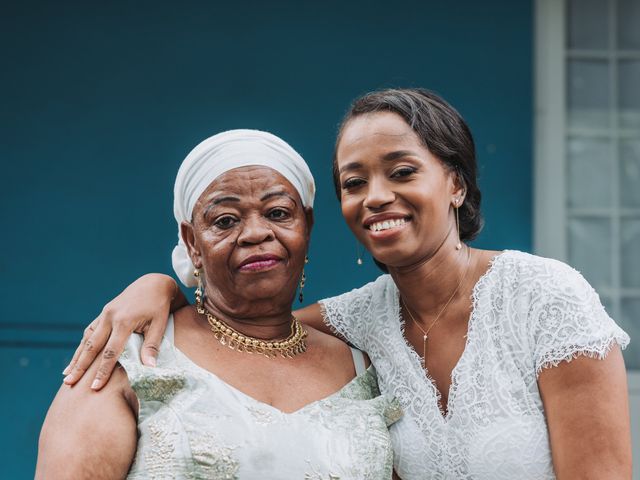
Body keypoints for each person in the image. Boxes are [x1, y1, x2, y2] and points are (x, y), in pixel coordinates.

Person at [63, 89, 632, 479]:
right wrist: (160, 285)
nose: (377, 196)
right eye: (354, 182)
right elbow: (242, 327)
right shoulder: (357, 323)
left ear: (455, 183)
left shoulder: (542, 298)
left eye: (402, 172)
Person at [36, 129, 401, 479]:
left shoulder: (362, 368)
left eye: (277, 213)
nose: (257, 233)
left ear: (306, 225)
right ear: (192, 241)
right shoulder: (130, 356)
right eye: (225, 220)